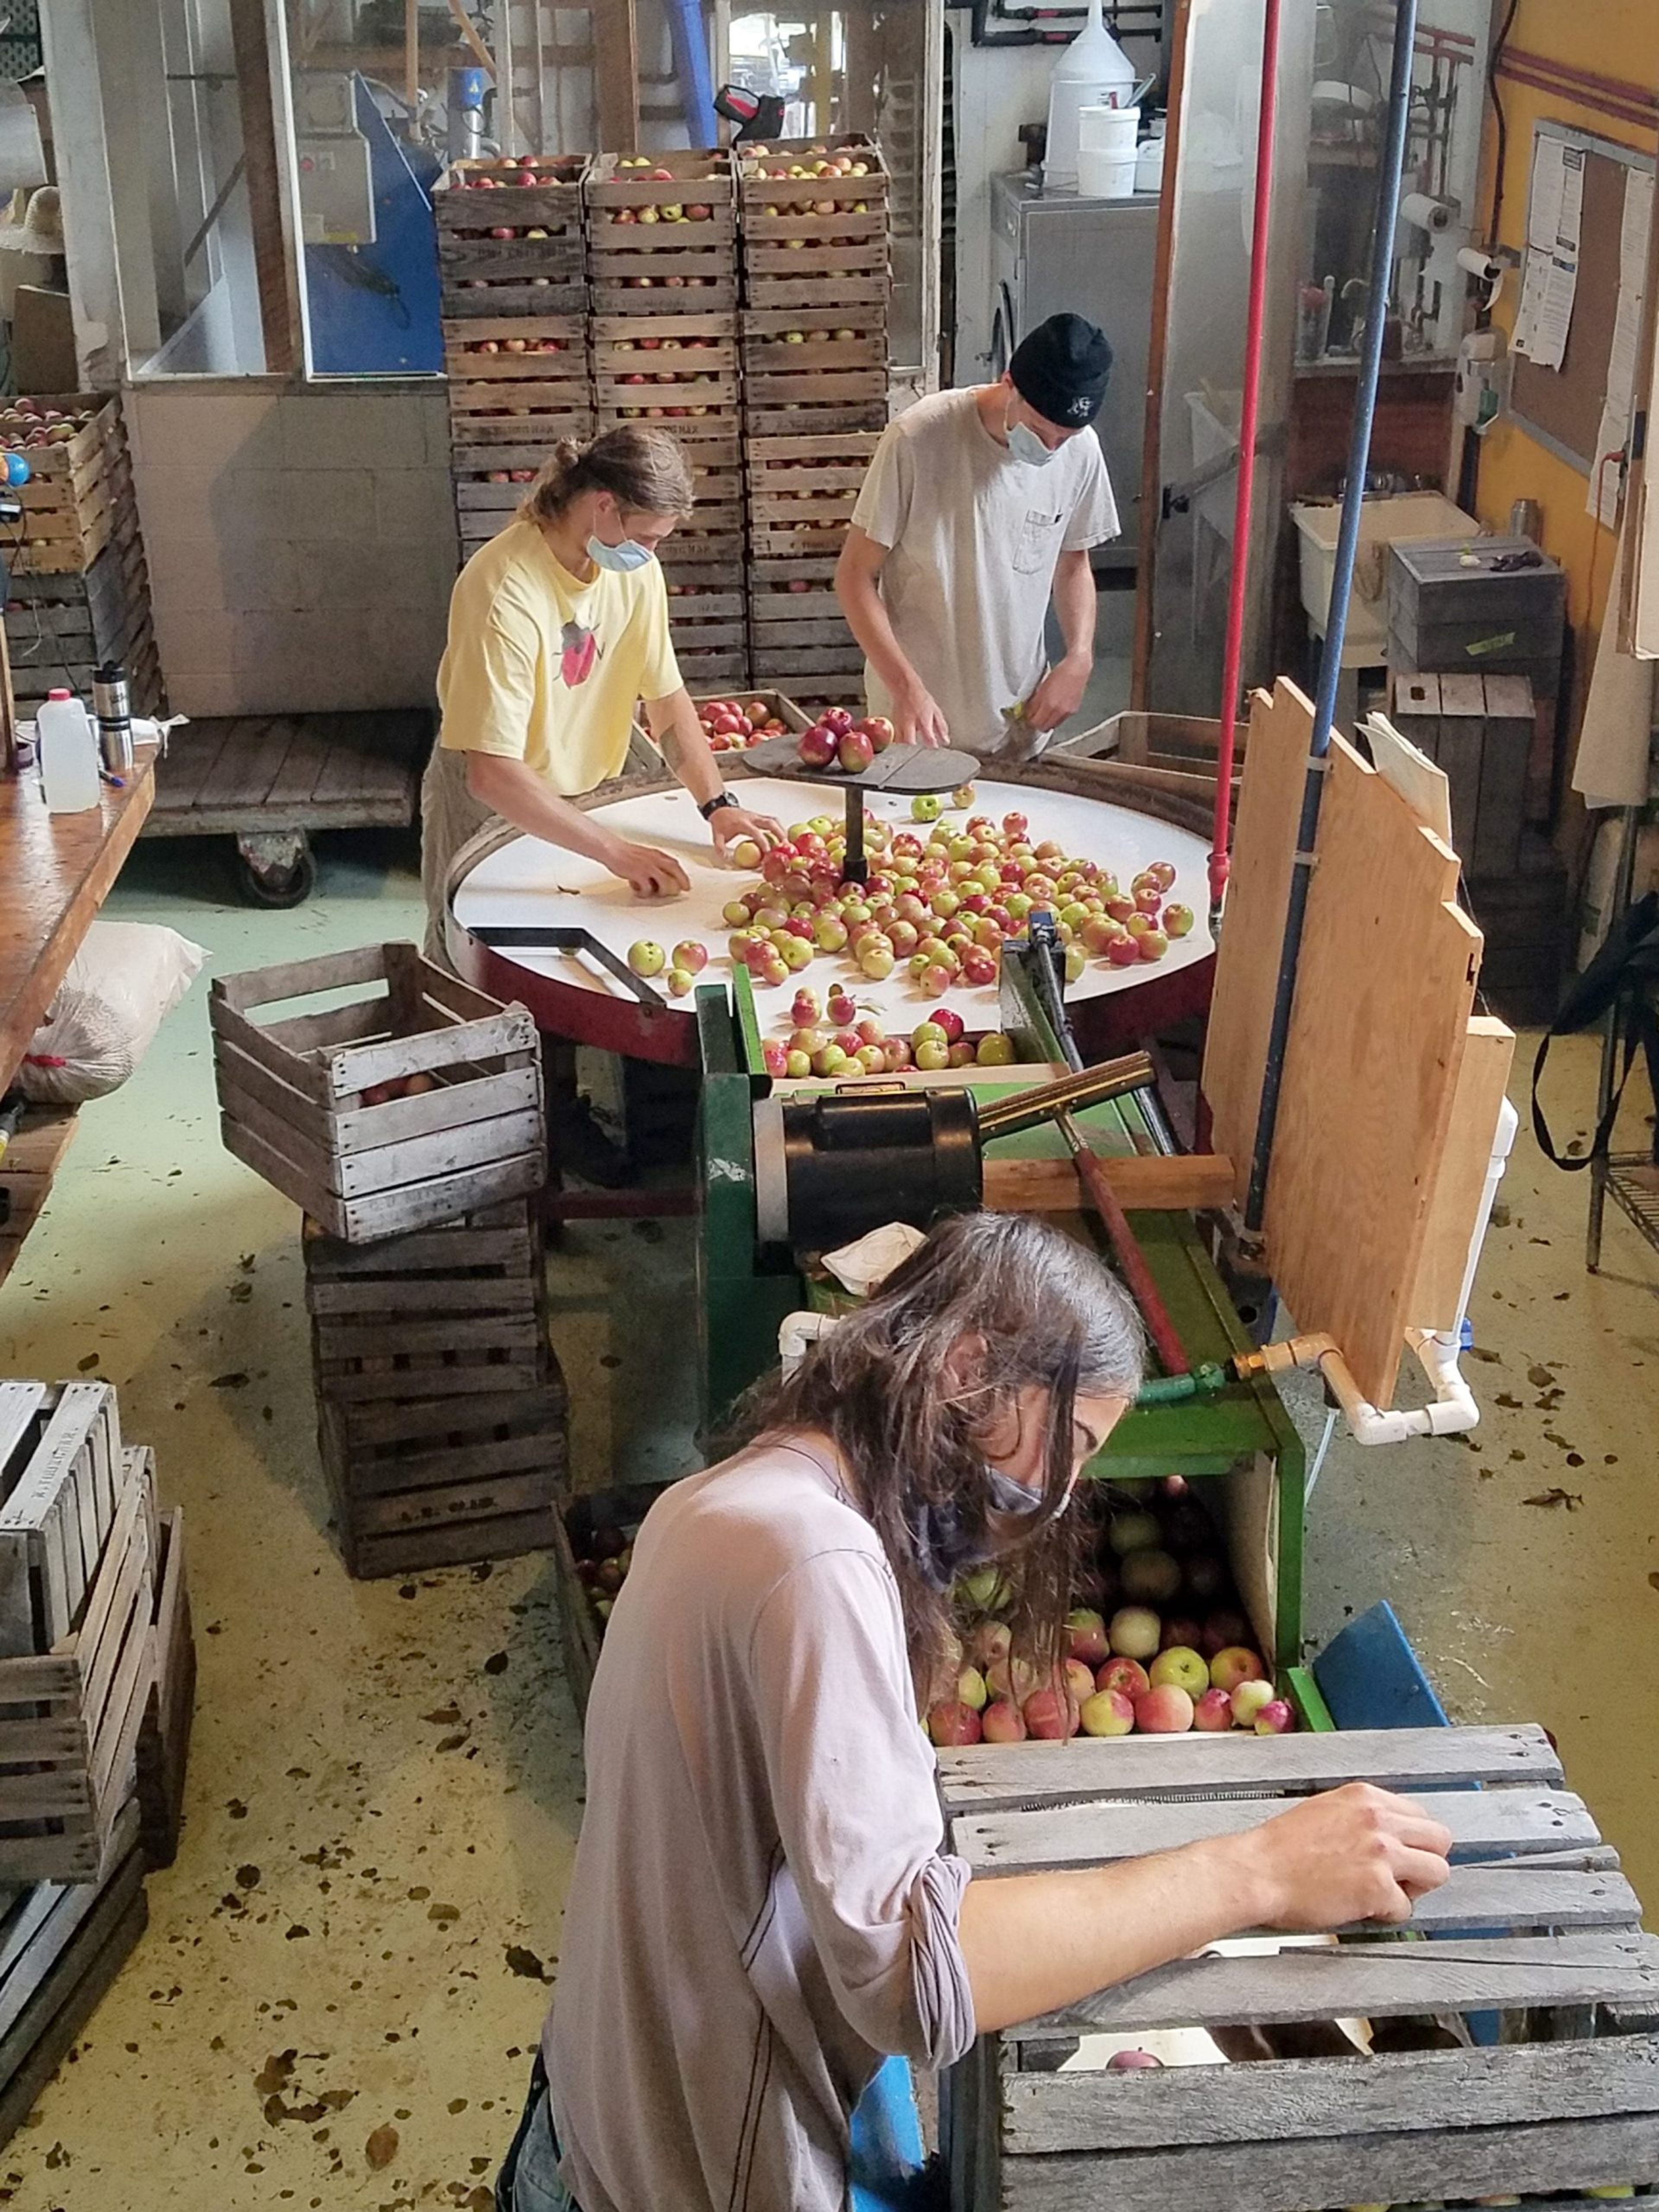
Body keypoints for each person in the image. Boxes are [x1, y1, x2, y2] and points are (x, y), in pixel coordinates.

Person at [494, 1212, 1454, 2212]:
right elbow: (909, 1975)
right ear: (963, 1368)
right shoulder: (817, 1564)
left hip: (586, 2117)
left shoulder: (729, 1497)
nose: (1066, 1488)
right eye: (1072, 1442)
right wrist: (1253, 1869)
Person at [420, 424, 780, 965]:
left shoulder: (634, 573)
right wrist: (616, 851)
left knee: (580, 951)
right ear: (604, 506)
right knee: (473, 955)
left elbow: (666, 698)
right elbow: (491, 771)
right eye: (650, 536)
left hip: (586, 789)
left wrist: (717, 804)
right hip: (494, 797)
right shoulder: (504, 591)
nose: (653, 552)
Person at [836, 312, 1121, 756]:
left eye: (1064, 438)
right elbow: (854, 576)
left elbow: (1073, 564)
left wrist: (1080, 656)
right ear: (1009, 382)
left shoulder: (1081, 453)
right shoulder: (918, 438)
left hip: (1019, 725)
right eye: (1041, 431)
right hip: (918, 725)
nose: (1050, 450)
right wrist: (905, 687)